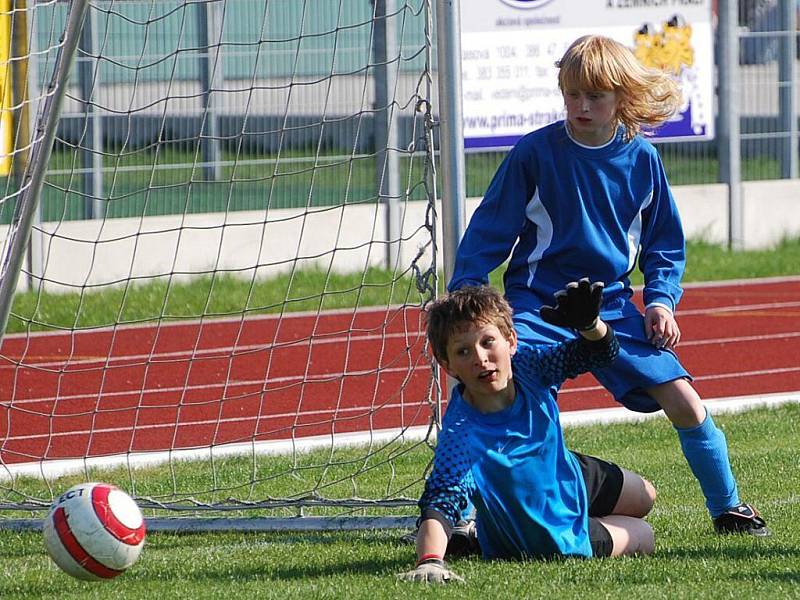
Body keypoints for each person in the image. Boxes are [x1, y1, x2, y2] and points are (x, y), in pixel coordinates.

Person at [447, 34, 768, 536]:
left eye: (594, 95)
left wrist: (661, 300)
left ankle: (729, 508)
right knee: (494, 384)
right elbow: (490, 229)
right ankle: (461, 516)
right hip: (537, 307)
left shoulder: (643, 160)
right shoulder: (535, 153)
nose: (580, 106)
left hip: (611, 306)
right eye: (571, 94)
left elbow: (664, 243)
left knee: (684, 398)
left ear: (622, 95)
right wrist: (469, 291)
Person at [397, 282, 656, 584]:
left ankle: (482, 530)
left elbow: (599, 354)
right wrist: (429, 561)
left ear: (511, 341)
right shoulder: (461, 435)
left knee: (646, 495)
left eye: (487, 341)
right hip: (552, 534)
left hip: (563, 474)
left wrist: (590, 325)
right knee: (645, 536)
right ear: (448, 366)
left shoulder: (529, 367)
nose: (480, 358)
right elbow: (440, 503)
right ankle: (489, 533)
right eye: (463, 351)